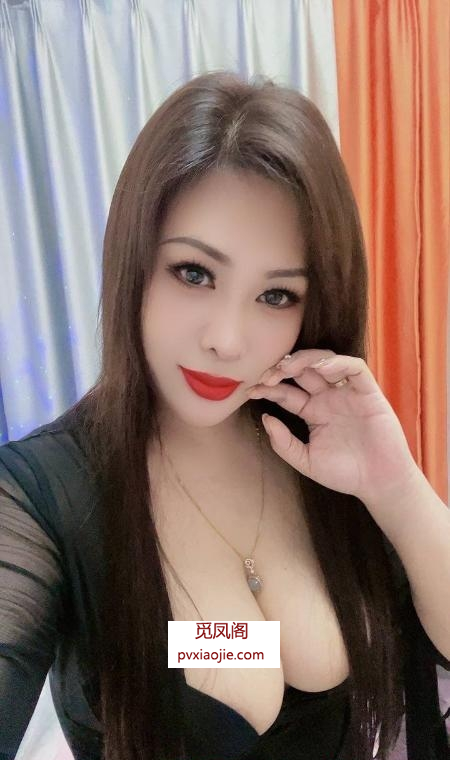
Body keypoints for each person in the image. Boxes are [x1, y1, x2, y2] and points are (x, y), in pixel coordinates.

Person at [0, 71, 449, 760]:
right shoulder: (43, 494)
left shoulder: (316, 447)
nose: (228, 340)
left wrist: (396, 487)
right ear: (134, 261)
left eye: (276, 296)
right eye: (195, 273)